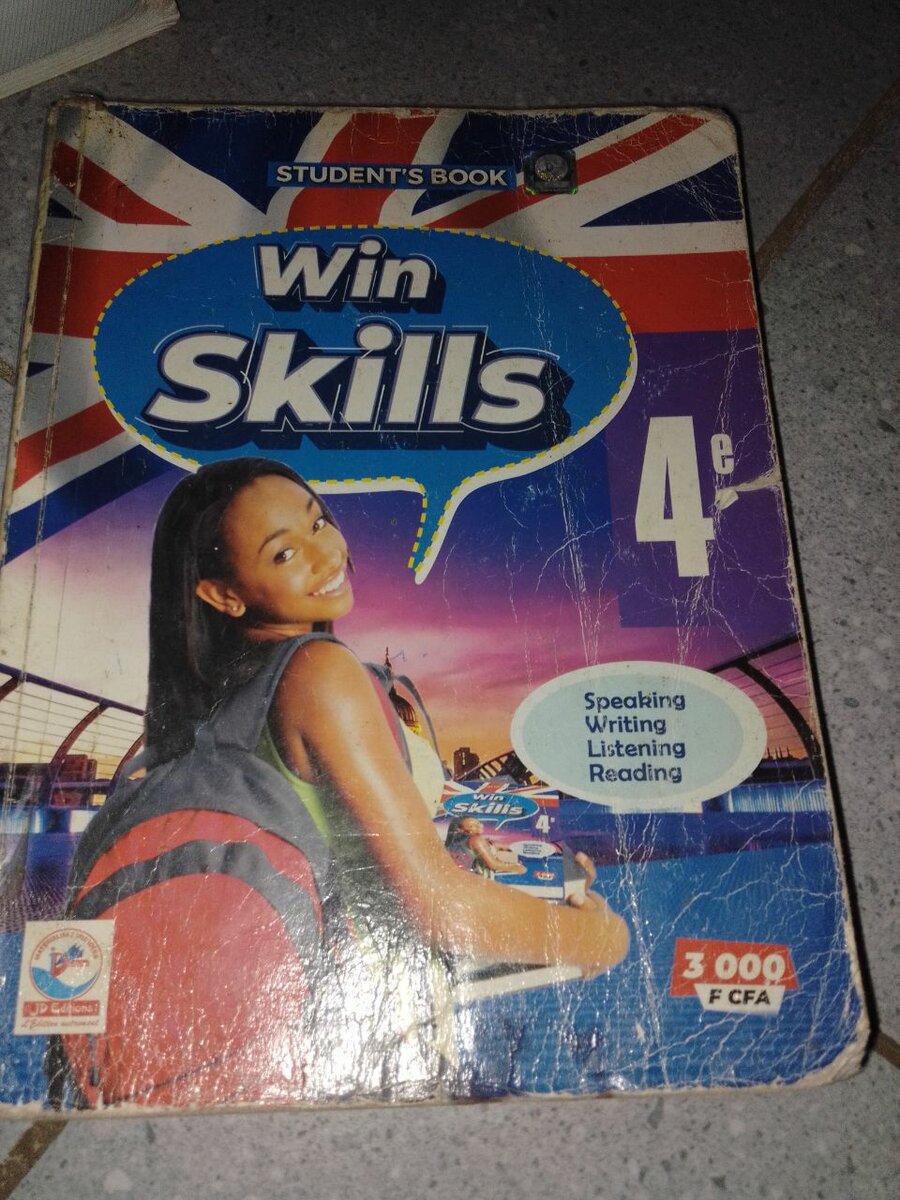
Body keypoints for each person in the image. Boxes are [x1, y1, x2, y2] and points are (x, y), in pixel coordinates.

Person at [146, 457, 629, 1095]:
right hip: (377, 1035)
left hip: (293, 1030)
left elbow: (353, 860)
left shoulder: (217, 711)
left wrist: (530, 877)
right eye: (285, 553)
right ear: (222, 594)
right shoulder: (319, 674)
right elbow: (437, 911)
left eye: (319, 523)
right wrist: (597, 938)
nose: (326, 553)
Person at [444, 816, 527, 877]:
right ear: (462, 830)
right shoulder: (476, 840)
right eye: (471, 826)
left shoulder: (459, 842)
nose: (478, 826)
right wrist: (517, 868)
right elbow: (493, 864)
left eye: (478, 822)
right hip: (478, 878)